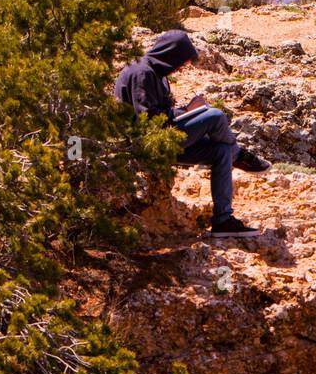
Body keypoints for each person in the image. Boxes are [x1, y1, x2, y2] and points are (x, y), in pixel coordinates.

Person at [114, 30, 270, 237]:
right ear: (169, 54)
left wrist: (188, 110)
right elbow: (148, 121)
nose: (180, 68)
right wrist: (190, 114)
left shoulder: (158, 75)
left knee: (221, 151)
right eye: (180, 62)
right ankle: (239, 155)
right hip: (148, 145)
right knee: (215, 116)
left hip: (167, 139)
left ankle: (223, 221)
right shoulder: (141, 72)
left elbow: (165, 113)